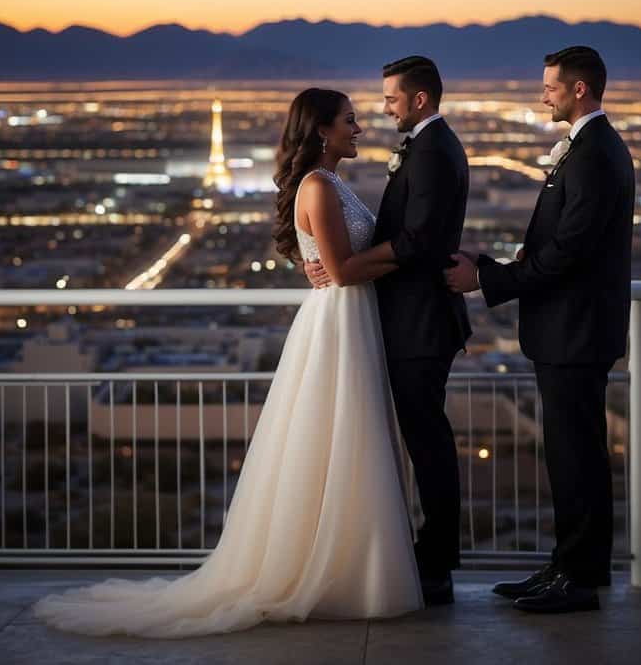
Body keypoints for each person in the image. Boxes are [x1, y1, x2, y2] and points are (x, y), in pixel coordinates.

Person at [33, 88, 422, 638]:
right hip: (340, 320)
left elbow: (331, 264)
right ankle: (343, 570)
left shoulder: (328, 183)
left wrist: (360, 261)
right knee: (342, 437)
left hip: (346, 319)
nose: (359, 129)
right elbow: (341, 270)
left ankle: (346, 567)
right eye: (349, 121)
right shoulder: (318, 185)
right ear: (321, 131)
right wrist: (407, 250)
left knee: (344, 440)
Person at [445, 46, 635, 613]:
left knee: (576, 455)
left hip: (575, 332)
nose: (543, 94)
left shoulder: (596, 153)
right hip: (569, 330)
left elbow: (570, 252)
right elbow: (563, 243)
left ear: (580, 89)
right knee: (571, 453)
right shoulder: (589, 149)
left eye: (551, 85)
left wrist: (487, 278)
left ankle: (576, 579)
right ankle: (569, 567)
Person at [307, 55, 470, 605]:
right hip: (403, 320)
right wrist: (327, 262)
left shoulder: (434, 151)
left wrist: (344, 267)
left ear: (419, 99)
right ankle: (421, 553)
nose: (382, 110)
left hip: (421, 323)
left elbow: (417, 239)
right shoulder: (425, 148)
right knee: (418, 440)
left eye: (391, 99)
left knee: (427, 442)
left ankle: (438, 560)